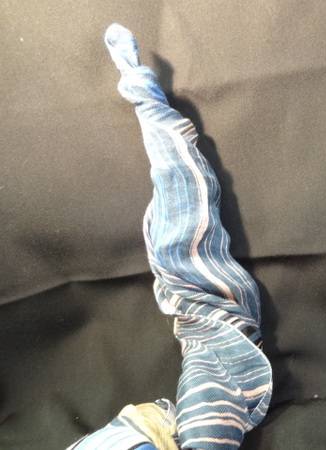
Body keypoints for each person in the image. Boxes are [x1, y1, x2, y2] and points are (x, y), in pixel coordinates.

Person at [68, 23, 272, 450]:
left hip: (209, 326)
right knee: (180, 215)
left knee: (181, 216)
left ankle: (152, 110)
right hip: (210, 337)